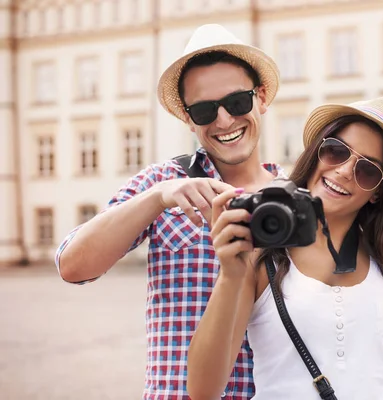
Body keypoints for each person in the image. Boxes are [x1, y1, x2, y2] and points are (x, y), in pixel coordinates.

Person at [54, 24, 282, 399]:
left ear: (261, 98)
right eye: (205, 110)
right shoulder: (163, 182)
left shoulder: (298, 197)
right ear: (188, 119)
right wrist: (158, 196)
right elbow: (73, 266)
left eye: (237, 102)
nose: (224, 120)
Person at [186, 96, 383, 400]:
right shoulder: (261, 258)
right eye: (336, 151)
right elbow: (201, 391)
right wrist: (229, 277)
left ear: (377, 192)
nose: (344, 170)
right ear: (316, 153)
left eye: (367, 169)